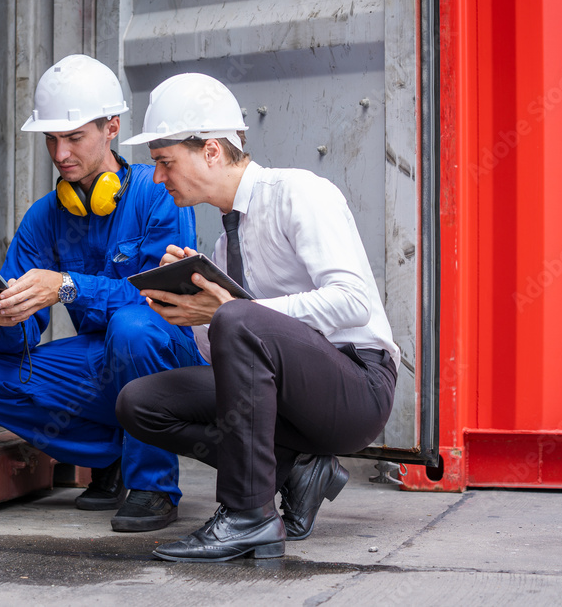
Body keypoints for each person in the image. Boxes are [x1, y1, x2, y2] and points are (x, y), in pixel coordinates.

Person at [115, 73, 399, 561]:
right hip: (289, 400)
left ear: (209, 151)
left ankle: (249, 517)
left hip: (357, 386)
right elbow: (232, 356)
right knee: (140, 403)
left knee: (238, 319)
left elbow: (354, 301)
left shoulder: (298, 193)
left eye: (164, 162)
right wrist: (194, 307)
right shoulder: (226, 244)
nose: (158, 178)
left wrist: (232, 310)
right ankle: (296, 469)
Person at [0, 55, 204, 533]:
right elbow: (15, 345)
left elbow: (162, 302)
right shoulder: (44, 217)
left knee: (132, 327)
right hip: (99, 361)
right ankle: (110, 452)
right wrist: (8, 318)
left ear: (112, 127)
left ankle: (153, 485)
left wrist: (66, 287)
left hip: (165, 353)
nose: (60, 152)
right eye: (51, 138)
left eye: (74, 137)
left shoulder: (158, 192)